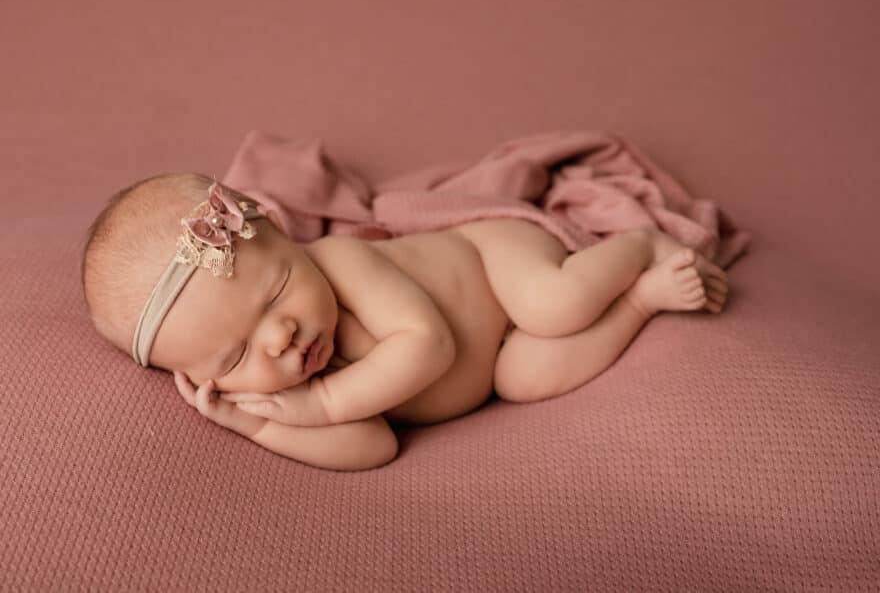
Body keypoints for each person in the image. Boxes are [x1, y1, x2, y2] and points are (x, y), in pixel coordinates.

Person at [81, 172, 728, 471]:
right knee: (527, 375)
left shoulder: (340, 261)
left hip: (493, 260)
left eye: (278, 291)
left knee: (552, 305)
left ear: (283, 236)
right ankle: (641, 299)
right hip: (495, 362)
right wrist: (260, 422)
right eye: (233, 357)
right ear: (202, 378)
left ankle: (639, 245)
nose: (280, 338)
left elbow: (430, 344)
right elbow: (374, 446)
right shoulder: (287, 387)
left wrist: (320, 401)